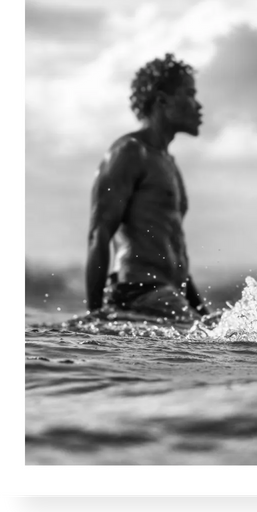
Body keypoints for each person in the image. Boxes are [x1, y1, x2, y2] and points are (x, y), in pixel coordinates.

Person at [86, 53, 208, 322]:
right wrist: (95, 317)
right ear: (163, 100)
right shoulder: (129, 153)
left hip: (168, 294)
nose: (198, 105)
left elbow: (175, 252)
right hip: (138, 293)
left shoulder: (168, 163)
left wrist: (204, 315)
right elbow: (99, 233)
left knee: (224, 331)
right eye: (190, 94)